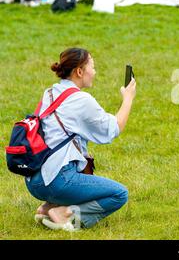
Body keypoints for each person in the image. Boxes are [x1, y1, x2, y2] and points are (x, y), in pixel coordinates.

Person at [25, 48, 137, 231]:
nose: (95, 72)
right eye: (92, 66)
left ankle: (48, 207)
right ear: (79, 71)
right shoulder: (81, 100)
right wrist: (128, 99)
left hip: (34, 180)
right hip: (57, 181)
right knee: (119, 194)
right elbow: (113, 128)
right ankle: (65, 212)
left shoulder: (50, 93)